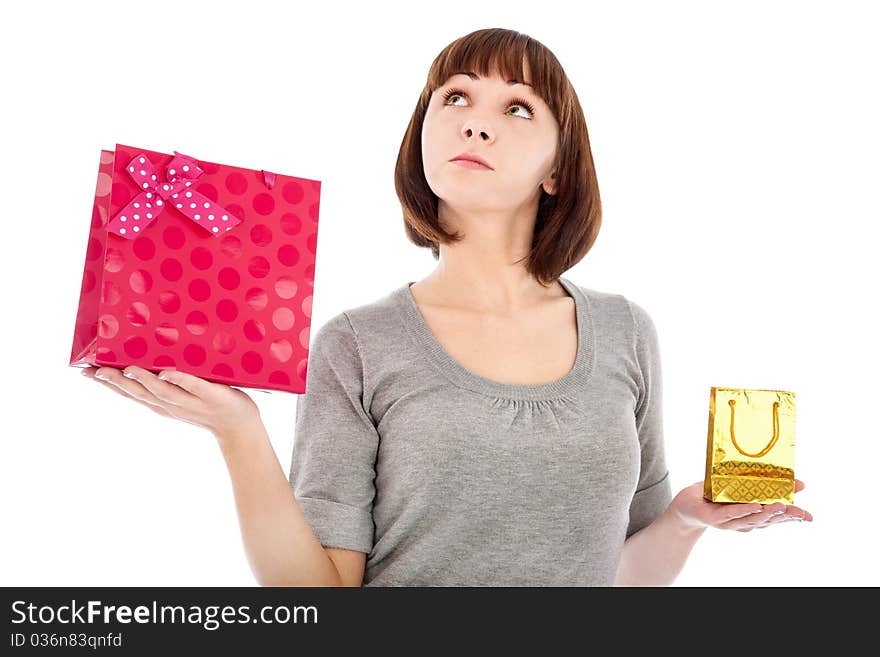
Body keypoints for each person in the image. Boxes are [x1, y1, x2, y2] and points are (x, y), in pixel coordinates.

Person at [80, 27, 812, 587]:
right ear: (423, 132)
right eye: (454, 96)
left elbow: (619, 578)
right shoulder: (357, 344)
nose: (475, 121)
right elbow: (320, 596)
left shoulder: (626, 332)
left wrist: (685, 517)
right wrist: (237, 429)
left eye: (516, 107)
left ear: (558, 168)